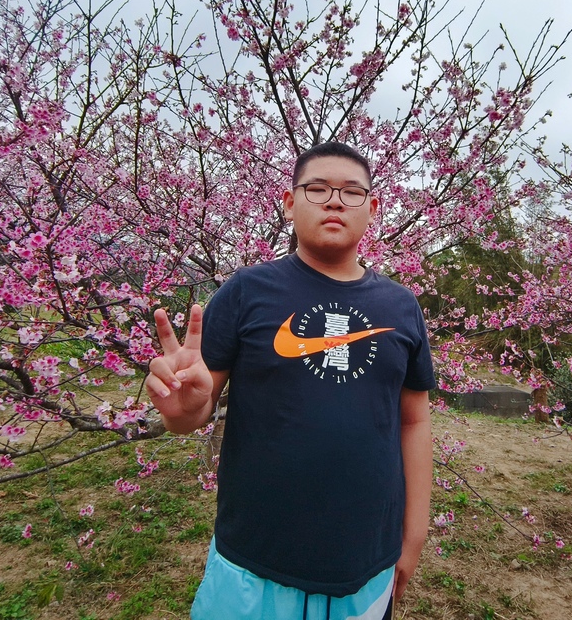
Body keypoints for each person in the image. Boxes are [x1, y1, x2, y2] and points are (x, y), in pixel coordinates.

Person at [146, 142, 435, 620]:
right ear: (288, 202)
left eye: (352, 192)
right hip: (253, 560)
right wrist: (183, 410)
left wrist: (414, 531)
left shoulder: (402, 306)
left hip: (365, 559)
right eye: (317, 189)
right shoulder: (246, 291)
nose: (335, 201)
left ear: (374, 207)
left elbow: (414, 420)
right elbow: (194, 409)